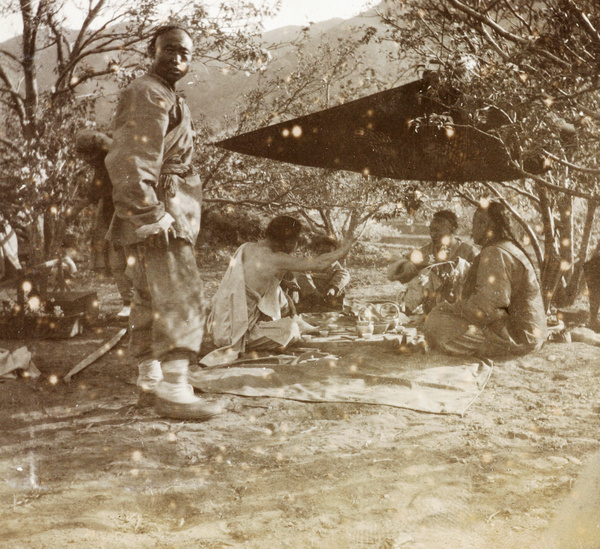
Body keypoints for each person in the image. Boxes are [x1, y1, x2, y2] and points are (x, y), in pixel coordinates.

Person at [105, 24, 222, 420]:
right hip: (159, 210)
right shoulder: (149, 93)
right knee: (181, 293)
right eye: (168, 50)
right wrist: (151, 213)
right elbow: (131, 158)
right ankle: (174, 389)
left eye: (185, 53)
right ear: (150, 52)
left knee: (149, 297)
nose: (177, 58)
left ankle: (151, 382)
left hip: (164, 206)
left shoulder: (166, 96)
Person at [205, 216, 356, 365]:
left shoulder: (247, 247)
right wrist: (344, 249)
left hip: (219, 323)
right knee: (290, 329)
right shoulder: (274, 258)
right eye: (296, 241)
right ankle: (292, 328)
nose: (296, 245)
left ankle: (298, 323)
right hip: (235, 333)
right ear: (288, 240)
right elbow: (318, 264)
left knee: (276, 289)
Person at [424, 201, 547, 357]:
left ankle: (488, 349)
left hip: (518, 338)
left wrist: (453, 308)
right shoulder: (506, 247)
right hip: (529, 333)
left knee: (435, 321)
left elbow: (487, 309)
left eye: (474, 223)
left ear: (483, 224)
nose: (472, 229)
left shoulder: (495, 252)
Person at [74, 130, 133, 318]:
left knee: (130, 262)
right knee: (118, 263)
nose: (87, 161)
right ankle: (129, 302)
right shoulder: (103, 165)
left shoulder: (115, 160)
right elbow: (94, 193)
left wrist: (71, 212)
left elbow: (94, 194)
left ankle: (137, 303)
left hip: (127, 214)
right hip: (113, 217)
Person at [387, 209, 478, 313]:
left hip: (460, 311)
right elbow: (391, 274)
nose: (433, 234)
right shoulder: (426, 252)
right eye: (431, 230)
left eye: (438, 230)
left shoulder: (469, 252)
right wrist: (406, 265)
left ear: (453, 230)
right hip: (431, 312)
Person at [286, 234, 351, 313]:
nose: (325, 255)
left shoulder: (335, 264)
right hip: (311, 295)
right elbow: (302, 275)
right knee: (300, 275)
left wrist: (332, 289)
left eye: (328, 252)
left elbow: (343, 275)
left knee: (344, 274)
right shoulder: (312, 262)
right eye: (322, 251)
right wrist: (314, 290)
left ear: (334, 252)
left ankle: (330, 293)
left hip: (329, 296)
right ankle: (315, 296)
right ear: (317, 250)